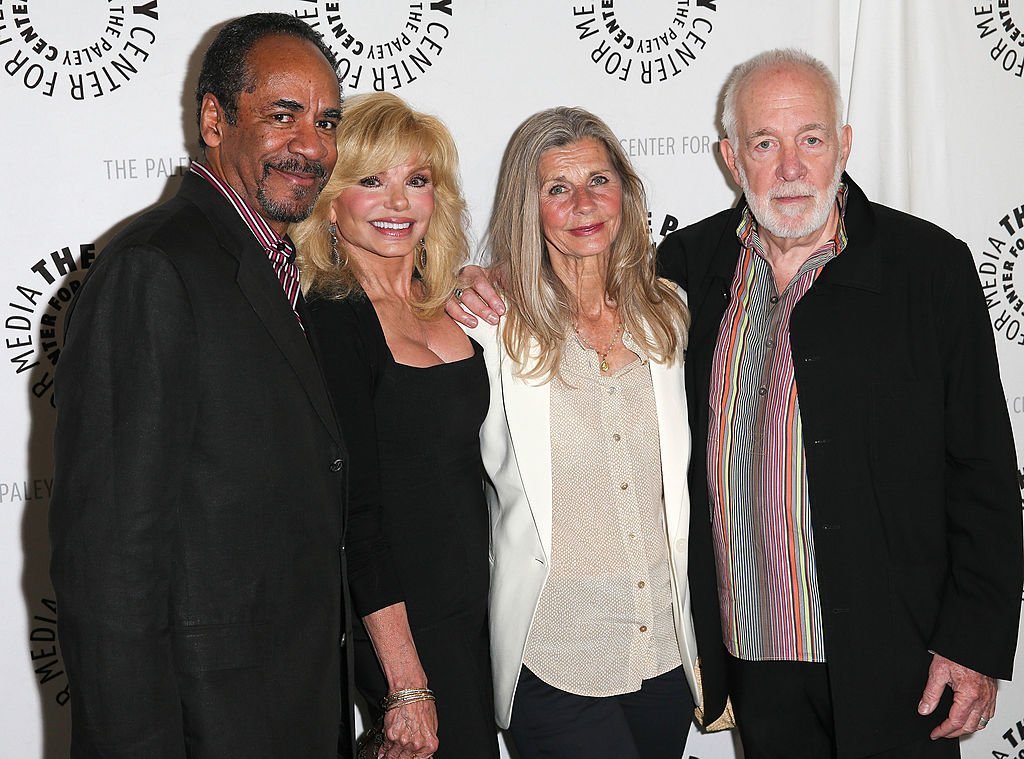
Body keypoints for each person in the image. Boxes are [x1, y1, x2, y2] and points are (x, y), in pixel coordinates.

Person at [653, 49, 1022, 758]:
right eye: (766, 143)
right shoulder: (685, 268)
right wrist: (488, 285)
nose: (791, 168)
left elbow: (984, 472)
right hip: (752, 656)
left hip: (898, 659)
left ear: (844, 144)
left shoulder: (928, 268)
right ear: (732, 158)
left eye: (811, 139)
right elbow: (579, 314)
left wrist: (973, 641)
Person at [49, 14, 397, 759]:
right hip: (208, 724)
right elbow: (109, 567)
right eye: (283, 114)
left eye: (326, 120)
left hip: (292, 713)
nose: (312, 145)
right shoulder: (154, 268)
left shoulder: (273, 268)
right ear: (214, 119)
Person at [464, 106, 727, 759]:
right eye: (558, 188)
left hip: (664, 653)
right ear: (530, 207)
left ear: (625, 192)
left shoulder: (674, 316)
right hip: (554, 656)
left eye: (598, 180)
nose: (583, 203)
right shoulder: (488, 328)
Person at [291, 92, 498, 759]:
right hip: (400, 620)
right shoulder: (330, 320)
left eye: (416, 180)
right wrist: (406, 682)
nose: (397, 202)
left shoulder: (450, 299)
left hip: (479, 605)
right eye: (371, 181)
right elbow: (357, 514)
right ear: (330, 198)